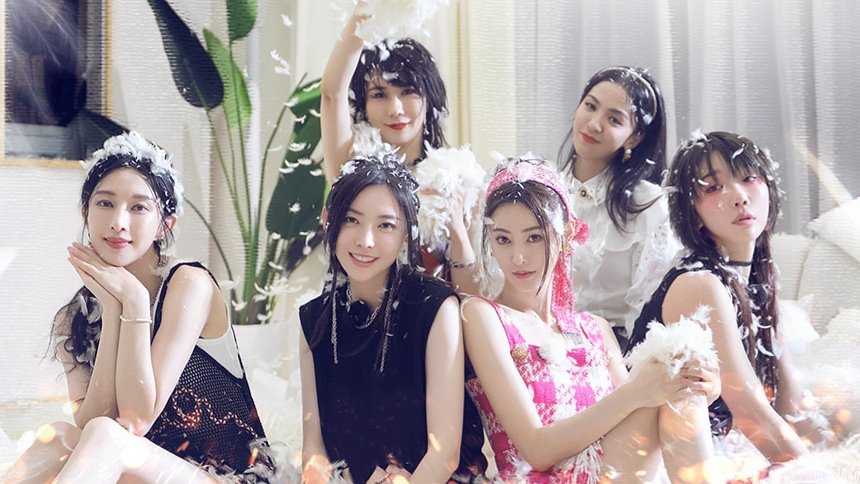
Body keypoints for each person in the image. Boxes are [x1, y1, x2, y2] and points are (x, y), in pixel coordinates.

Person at [3, 132, 275, 483]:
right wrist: (113, 310)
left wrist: (134, 301)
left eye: (139, 207)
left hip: (229, 478)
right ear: (86, 213)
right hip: (144, 473)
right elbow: (96, 423)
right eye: (105, 203)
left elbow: (134, 420)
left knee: (107, 436)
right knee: (60, 437)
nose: (118, 221)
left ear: (165, 225)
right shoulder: (74, 318)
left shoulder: (189, 285)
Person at [462, 157, 720, 482]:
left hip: (614, 470)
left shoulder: (594, 329)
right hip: (538, 477)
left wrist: (700, 387)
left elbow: (640, 410)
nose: (518, 257)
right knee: (663, 382)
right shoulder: (483, 316)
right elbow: (536, 449)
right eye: (503, 239)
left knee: (676, 381)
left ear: (566, 234)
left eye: (534, 237)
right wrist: (639, 391)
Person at [625, 131, 833, 463]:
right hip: (667, 464)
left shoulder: (759, 278)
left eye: (748, 178)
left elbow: (790, 406)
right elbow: (749, 411)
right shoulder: (699, 284)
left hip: (725, 453)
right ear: (692, 213)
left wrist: (839, 457)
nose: (738, 197)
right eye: (712, 187)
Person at [300, 152, 484, 483]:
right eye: (351, 220)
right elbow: (313, 445)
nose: (365, 240)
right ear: (328, 220)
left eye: (385, 225)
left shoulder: (435, 308)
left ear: (405, 236)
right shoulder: (315, 320)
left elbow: (445, 453)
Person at [320, 8, 480, 294]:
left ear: (429, 97)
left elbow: (471, 297)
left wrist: (456, 229)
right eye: (379, 95)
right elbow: (332, 94)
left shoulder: (457, 179)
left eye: (407, 92)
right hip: (356, 315)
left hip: (434, 317)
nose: (395, 109)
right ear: (363, 104)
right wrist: (364, 11)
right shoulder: (352, 164)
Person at [559, 66, 681, 345]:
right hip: (536, 341)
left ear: (634, 138)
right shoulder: (542, 188)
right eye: (590, 106)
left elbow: (651, 305)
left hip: (613, 348)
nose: (594, 124)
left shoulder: (649, 204)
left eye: (614, 119)